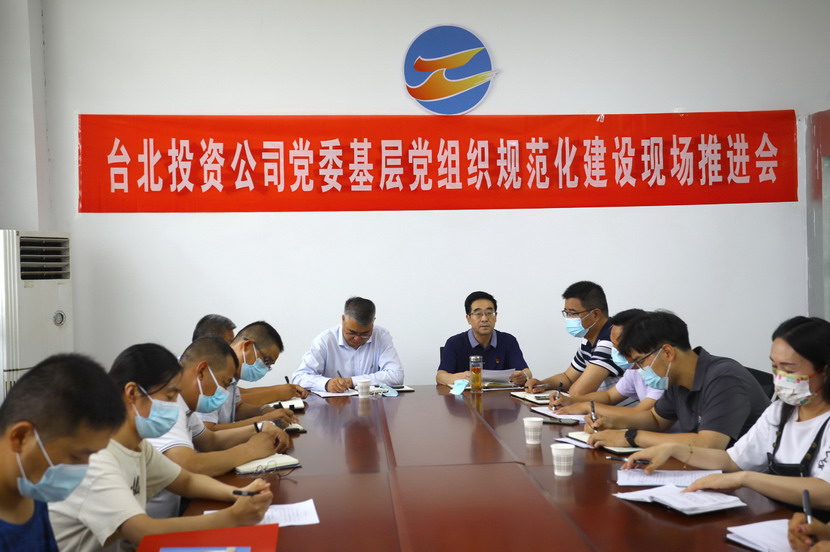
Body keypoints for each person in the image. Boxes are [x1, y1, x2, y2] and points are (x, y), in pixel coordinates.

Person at [48, 343, 272, 552]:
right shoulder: (96, 458)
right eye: (169, 396)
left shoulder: (138, 446)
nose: (175, 406)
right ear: (132, 393)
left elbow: (186, 481)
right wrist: (232, 517)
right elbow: (143, 532)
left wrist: (240, 493)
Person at [623, 316, 830, 511]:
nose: (780, 377)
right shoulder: (780, 411)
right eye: (775, 368)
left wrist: (744, 478)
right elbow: (732, 460)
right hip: (778, 517)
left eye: (789, 370)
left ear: (825, 371)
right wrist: (674, 449)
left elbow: (826, 493)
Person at [146, 337, 288, 518]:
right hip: (156, 524)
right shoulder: (166, 407)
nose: (224, 393)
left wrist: (261, 427)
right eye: (224, 383)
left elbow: (210, 441)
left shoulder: (185, 405)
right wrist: (250, 450)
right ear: (202, 371)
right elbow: (190, 465)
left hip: (175, 513)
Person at [587, 310, 769, 450]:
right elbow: (656, 419)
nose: (641, 370)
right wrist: (612, 422)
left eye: (641, 361)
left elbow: (709, 444)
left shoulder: (724, 377)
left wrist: (631, 437)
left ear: (667, 352)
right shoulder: (675, 380)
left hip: (751, 478)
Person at [0, 354, 124, 552]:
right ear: (21, 437)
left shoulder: (31, 488)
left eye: (91, 457)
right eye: (76, 457)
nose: (83, 469)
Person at [197, 321, 307, 432]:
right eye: (266, 361)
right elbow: (207, 431)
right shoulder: (210, 374)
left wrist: (264, 410)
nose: (265, 369)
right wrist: (263, 420)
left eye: (269, 365)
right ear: (247, 346)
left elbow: (237, 408)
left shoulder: (232, 377)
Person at [552, 308, 658, 416]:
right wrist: (571, 401)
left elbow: (641, 414)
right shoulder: (634, 370)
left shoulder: (661, 375)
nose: (614, 350)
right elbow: (609, 396)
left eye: (617, 346)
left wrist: (586, 407)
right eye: (613, 345)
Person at [525, 281, 623, 396]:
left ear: (595, 314)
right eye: (566, 313)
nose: (569, 319)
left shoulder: (611, 341)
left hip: (621, 407)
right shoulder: (588, 341)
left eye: (573, 313)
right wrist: (542, 384)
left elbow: (579, 392)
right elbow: (568, 378)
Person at [291, 297, 404, 393]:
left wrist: (352, 381)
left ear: (373, 321)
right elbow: (299, 377)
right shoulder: (325, 340)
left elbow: (396, 376)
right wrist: (326, 383)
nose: (357, 338)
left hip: (370, 406)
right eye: (352, 332)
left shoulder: (381, 336)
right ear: (343, 319)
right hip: (333, 408)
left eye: (365, 334)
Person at [436, 291, 530, 387]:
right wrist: (459, 377)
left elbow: (526, 371)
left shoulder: (508, 341)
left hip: (501, 395)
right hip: (466, 396)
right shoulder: (454, 343)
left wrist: (524, 376)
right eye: (478, 314)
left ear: (496, 316)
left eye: (489, 313)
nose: (484, 319)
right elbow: (440, 376)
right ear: (468, 318)